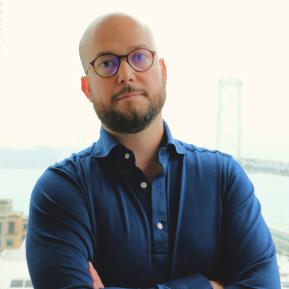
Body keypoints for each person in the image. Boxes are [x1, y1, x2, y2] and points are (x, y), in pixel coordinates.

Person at [26, 13, 281, 289]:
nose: (125, 74)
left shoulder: (224, 177)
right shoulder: (61, 190)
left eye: (138, 57)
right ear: (87, 88)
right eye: (107, 63)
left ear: (163, 71)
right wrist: (206, 286)